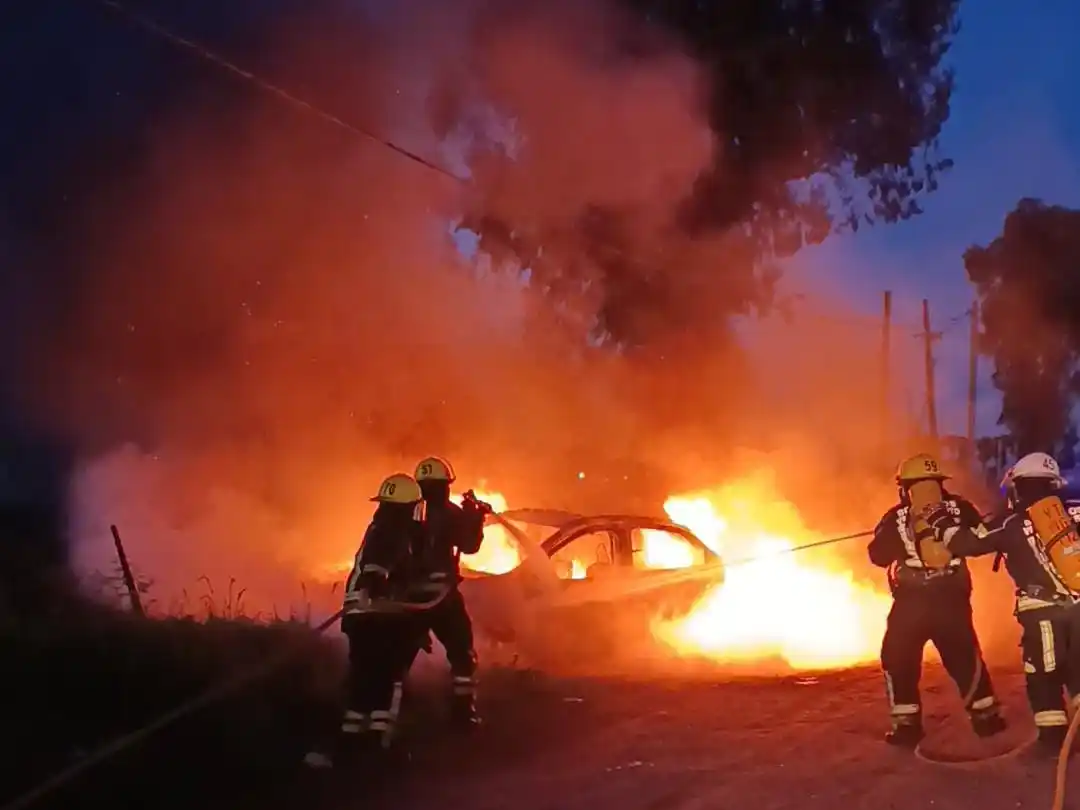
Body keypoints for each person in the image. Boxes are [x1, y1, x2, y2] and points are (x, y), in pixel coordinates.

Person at [924, 451, 1080, 755]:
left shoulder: (1012, 522)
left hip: (1043, 613)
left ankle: (1053, 740)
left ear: (1019, 486)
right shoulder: (1074, 510)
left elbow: (968, 543)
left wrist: (941, 522)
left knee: (1044, 674)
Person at [868, 452, 1006, 747]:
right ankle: (987, 719)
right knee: (965, 656)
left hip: (911, 601)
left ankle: (907, 727)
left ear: (905, 487)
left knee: (898, 658)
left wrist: (890, 537)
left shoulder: (896, 516)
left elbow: (877, 556)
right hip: (951, 597)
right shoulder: (962, 507)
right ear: (940, 483)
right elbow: (981, 540)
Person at [304, 472, 429, 769]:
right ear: (406, 506)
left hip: (363, 618)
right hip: (377, 616)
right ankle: (377, 745)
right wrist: (377, 578)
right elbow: (378, 562)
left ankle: (351, 742)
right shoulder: (393, 530)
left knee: (364, 679)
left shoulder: (379, 527)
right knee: (386, 679)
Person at [411, 455, 489, 727]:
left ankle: (391, 713)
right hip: (443, 599)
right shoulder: (447, 511)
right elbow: (469, 545)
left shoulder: (405, 512)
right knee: (462, 653)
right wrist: (475, 516)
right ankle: (463, 713)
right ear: (443, 484)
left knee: (398, 659)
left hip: (409, 602)